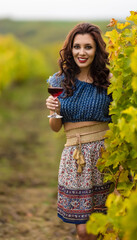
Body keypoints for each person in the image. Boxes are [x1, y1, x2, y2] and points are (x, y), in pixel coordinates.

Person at [46, 22, 113, 240]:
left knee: (108, 225)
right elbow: (56, 128)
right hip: (74, 159)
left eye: (88, 47)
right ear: (70, 49)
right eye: (77, 47)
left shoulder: (109, 81)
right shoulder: (58, 81)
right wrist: (54, 112)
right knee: (84, 230)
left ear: (97, 50)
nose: (81, 52)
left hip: (105, 156)